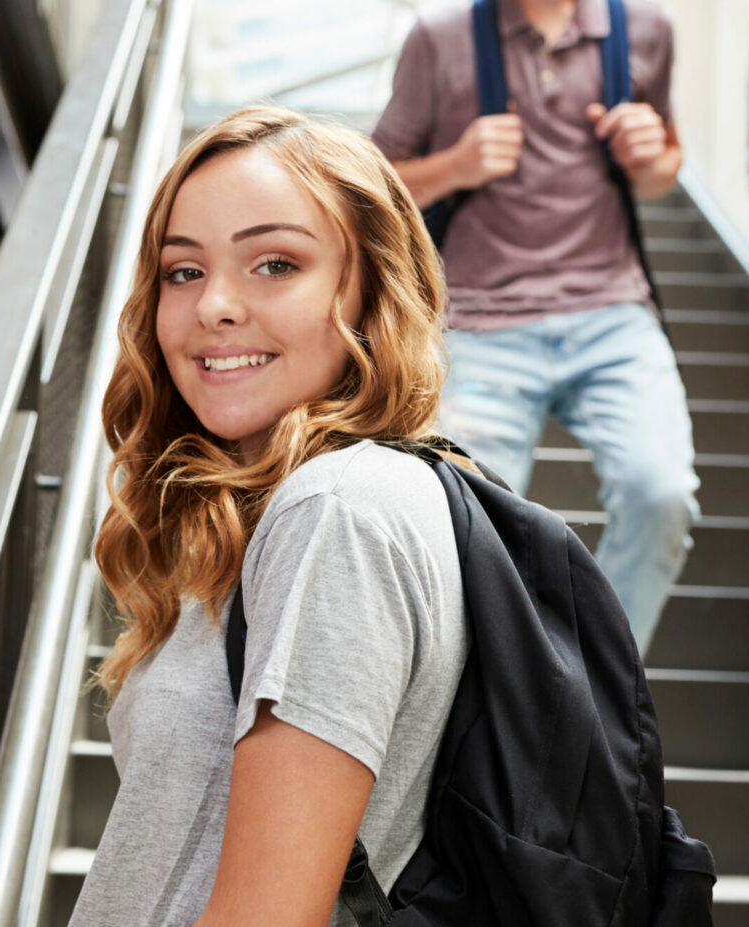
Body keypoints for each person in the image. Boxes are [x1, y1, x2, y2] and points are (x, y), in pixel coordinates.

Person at [70, 105, 466, 926]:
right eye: (183, 271)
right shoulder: (280, 517)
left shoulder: (338, 513)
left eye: (275, 263)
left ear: (371, 292)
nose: (214, 304)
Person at [372, 0, 697, 654]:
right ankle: (504, 693)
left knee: (660, 494)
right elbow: (369, 182)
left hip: (613, 313)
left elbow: (667, 161)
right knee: (460, 519)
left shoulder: (646, 29)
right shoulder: (440, 38)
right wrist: (455, 165)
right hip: (479, 320)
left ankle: (600, 688)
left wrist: (652, 155)